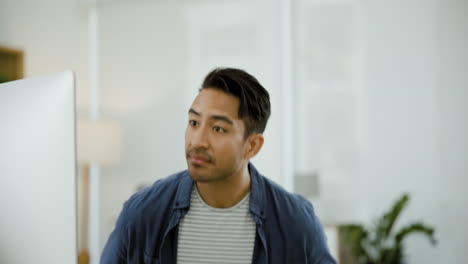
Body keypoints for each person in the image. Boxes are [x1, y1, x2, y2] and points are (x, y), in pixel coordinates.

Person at [100, 68, 336, 264]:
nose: (197, 141)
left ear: (252, 146)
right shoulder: (143, 213)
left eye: (218, 129)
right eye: (194, 122)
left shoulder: (295, 221)